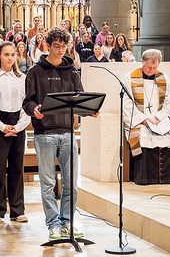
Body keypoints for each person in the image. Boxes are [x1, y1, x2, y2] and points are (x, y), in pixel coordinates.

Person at [23, 26, 98, 241]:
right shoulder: (35, 71)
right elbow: (27, 101)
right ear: (47, 46)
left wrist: (89, 110)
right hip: (44, 133)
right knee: (47, 183)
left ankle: (68, 222)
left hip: (67, 132)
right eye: (56, 46)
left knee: (71, 182)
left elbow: (80, 97)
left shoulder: (72, 70)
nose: (60, 50)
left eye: (64, 46)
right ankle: (53, 224)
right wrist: (33, 110)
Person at [0, 41, 31, 224]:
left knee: (17, 168)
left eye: (12, 55)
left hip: (18, 123)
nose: (10, 58)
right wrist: (2, 126)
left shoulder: (22, 77)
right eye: (6, 54)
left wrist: (18, 127)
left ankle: (17, 210)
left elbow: (28, 103)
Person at [122, 49, 170, 185]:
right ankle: (145, 177)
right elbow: (127, 104)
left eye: (155, 67)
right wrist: (144, 120)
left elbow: (169, 102)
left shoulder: (163, 78)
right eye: (149, 67)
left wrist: (158, 119)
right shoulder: (130, 78)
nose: (152, 70)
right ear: (142, 62)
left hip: (159, 120)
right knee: (143, 135)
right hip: (140, 121)